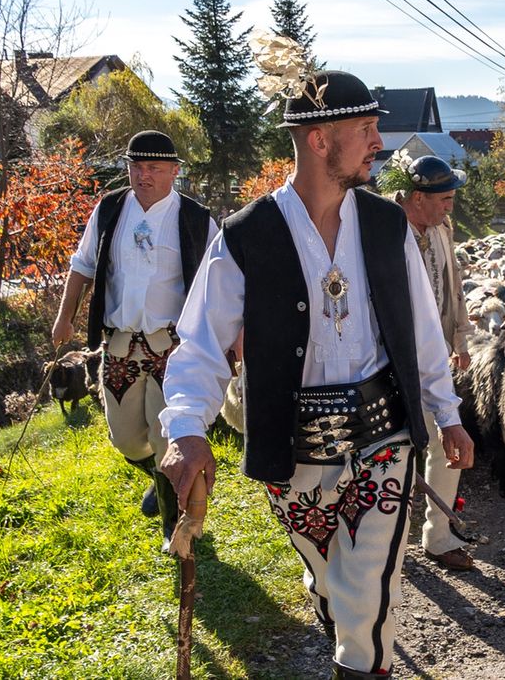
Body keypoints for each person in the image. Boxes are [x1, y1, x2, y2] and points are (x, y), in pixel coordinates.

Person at [158, 70, 474, 679]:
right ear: (321, 139)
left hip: (383, 434)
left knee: (365, 590)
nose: (379, 142)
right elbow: (200, 342)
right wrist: (186, 427)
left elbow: (423, 332)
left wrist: (447, 413)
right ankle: (330, 595)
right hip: (292, 444)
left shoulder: (387, 225)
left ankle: (359, 664)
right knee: (336, 580)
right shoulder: (246, 236)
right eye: (366, 128)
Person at [51, 130, 216, 551]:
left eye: (154, 168)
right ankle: (161, 477)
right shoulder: (109, 210)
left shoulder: (197, 220)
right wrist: (63, 317)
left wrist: (230, 338)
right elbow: (83, 265)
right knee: (124, 439)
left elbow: (221, 283)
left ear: (174, 172)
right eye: (136, 167)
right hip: (120, 345)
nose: (143, 176)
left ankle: (173, 526)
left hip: (173, 348)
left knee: (167, 437)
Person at [393, 155, 476, 571]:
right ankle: (387, 540)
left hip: (436, 352)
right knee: (394, 450)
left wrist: (459, 337)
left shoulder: (442, 228)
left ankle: (438, 536)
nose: (450, 206)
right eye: (444, 199)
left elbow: (454, 283)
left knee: (449, 438)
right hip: (392, 359)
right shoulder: (384, 228)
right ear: (418, 198)